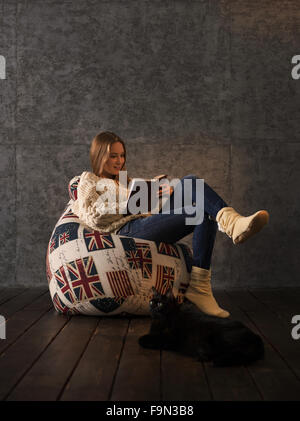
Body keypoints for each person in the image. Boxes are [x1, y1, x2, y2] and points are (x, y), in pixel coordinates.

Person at [71, 131, 269, 318]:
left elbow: (144, 208)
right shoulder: (88, 180)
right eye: (113, 156)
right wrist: (133, 203)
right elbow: (94, 215)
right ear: (98, 155)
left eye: (122, 155)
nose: (119, 161)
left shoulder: (125, 181)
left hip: (144, 222)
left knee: (191, 184)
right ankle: (201, 285)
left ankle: (231, 223)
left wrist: (160, 193)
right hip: (126, 231)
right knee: (199, 212)